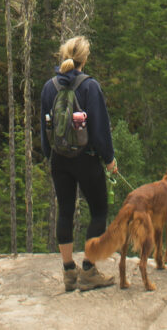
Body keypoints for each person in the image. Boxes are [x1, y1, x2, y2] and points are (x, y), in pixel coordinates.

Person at [40, 36, 118, 292]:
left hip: (59, 160)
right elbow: (99, 129)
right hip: (86, 159)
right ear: (85, 59)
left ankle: (68, 273)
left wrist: (47, 154)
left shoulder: (49, 87)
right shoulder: (90, 87)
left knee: (64, 211)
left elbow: (44, 128)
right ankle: (88, 270)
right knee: (98, 211)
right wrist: (109, 159)